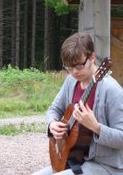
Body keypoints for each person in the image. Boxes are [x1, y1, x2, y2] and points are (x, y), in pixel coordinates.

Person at [32, 32, 123, 175]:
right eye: (68, 68)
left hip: (106, 166)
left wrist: (96, 127)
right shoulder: (71, 81)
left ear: (92, 57)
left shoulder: (112, 90)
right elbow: (54, 109)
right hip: (74, 159)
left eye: (79, 66)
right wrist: (52, 124)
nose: (74, 72)